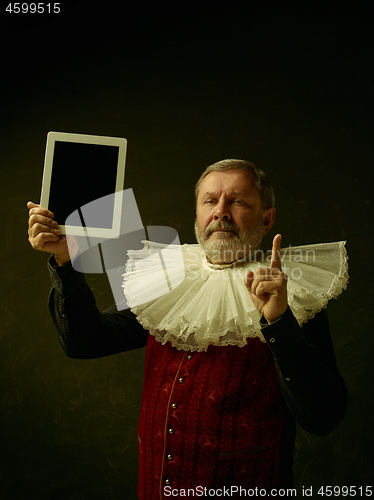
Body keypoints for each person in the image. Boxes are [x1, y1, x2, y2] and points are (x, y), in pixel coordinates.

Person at [27, 159, 347, 499]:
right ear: (197, 214)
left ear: (267, 219)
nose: (220, 212)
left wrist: (280, 322)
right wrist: (65, 259)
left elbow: (323, 416)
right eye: (210, 201)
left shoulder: (293, 295)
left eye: (237, 201)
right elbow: (85, 341)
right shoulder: (166, 279)